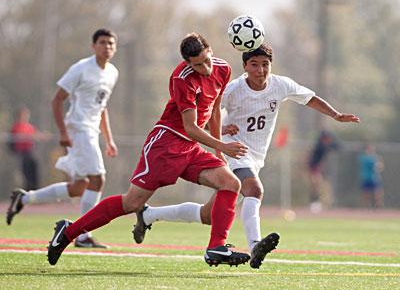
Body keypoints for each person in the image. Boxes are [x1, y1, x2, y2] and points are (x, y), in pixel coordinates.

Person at [131, 43, 360, 269]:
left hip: (256, 157)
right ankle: (255, 245)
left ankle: (149, 215)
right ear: (244, 66)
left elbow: (309, 97)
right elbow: (206, 116)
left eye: (265, 64)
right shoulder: (233, 89)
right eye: (254, 64)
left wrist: (336, 114)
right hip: (235, 150)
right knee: (255, 190)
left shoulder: (280, 85)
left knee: (208, 214)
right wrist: (220, 133)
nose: (260, 70)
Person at [46, 32, 251, 267]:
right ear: (187, 63)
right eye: (197, 65)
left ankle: (216, 248)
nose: (204, 68)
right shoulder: (181, 78)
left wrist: (218, 151)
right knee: (131, 202)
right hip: (166, 144)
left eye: (206, 60)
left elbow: (214, 110)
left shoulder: (222, 69)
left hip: (191, 147)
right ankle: (68, 232)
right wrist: (222, 144)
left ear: (211, 51)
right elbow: (191, 127)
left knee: (231, 183)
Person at [6, 28, 119, 249]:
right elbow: (57, 100)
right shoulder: (81, 69)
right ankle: (83, 235)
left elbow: (102, 106)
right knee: (98, 180)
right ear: (93, 46)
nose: (107, 47)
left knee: (79, 186)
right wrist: (63, 132)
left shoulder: (113, 72)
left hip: (91, 131)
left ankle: (25, 199)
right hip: (78, 128)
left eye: (111, 44)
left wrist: (109, 139)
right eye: (103, 42)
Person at [8, 106, 48, 190]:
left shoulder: (29, 126)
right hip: (22, 152)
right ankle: (28, 189)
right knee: (26, 171)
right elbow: (13, 139)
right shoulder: (16, 127)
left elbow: (36, 134)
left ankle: (36, 189)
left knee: (35, 167)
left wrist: (44, 136)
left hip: (31, 151)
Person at [308, 130, 339, 212]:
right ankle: (314, 204)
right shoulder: (320, 146)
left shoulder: (324, 145)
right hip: (314, 168)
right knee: (316, 186)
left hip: (317, 168)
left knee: (317, 186)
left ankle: (316, 203)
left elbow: (337, 146)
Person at [358, 144, 384, 208]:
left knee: (377, 191)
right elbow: (378, 166)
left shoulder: (375, 157)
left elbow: (380, 167)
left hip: (374, 177)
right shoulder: (365, 158)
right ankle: (367, 206)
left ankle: (378, 205)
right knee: (366, 193)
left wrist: (378, 165)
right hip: (366, 177)